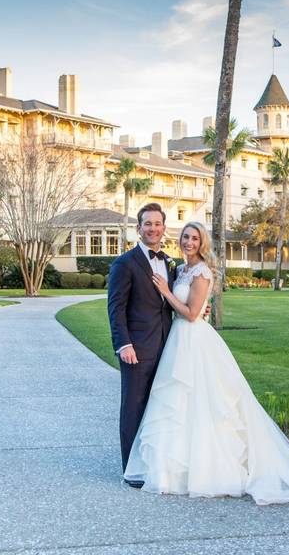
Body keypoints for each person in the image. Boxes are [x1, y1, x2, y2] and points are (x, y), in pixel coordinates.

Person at [123, 221, 289, 505]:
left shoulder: (202, 271)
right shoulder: (179, 268)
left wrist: (167, 292)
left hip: (194, 341)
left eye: (195, 238)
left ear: (202, 242)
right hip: (177, 341)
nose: (189, 242)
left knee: (205, 400)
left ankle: (210, 468)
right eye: (185, 237)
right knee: (180, 401)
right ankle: (174, 469)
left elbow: (193, 314)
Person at [107, 203, 175, 485]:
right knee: (133, 406)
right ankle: (131, 470)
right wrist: (123, 344)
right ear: (139, 228)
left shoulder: (170, 262)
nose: (153, 228)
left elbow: (171, 302)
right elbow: (116, 307)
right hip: (137, 348)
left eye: (157, 224)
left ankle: (154, 463)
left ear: (163, 228)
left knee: (159, 407)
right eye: (147, 224)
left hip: (168, 346)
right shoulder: (124, 263)